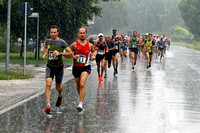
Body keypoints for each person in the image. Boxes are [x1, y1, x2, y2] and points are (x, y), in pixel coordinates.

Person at [43, 25, 73, 114]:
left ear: (57, 33)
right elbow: (45, 47)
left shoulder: (62, 42)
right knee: (48, 84)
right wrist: (45, 54)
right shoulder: (47, 41)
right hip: (50, 66)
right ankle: (48, 105)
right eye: (51, 32)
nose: (53, 34)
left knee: (58, 86)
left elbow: (70, 54)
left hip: (59, 67)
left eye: (54, 32)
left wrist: (60, 53)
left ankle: (60, 95)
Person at [69, 27, 95, 112]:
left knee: (82, 84)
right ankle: (81, 97)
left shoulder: (90, 45)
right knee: (78, 86)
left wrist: (93, 56)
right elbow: (68, 53)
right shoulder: (74, 44)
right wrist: (73, 56)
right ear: (78, 34)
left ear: (86, 34)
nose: (82, 34)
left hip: (85, 67)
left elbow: (93, 51)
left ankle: (80, 103)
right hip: (76, 67)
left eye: (84, 33)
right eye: (81, 33)